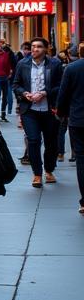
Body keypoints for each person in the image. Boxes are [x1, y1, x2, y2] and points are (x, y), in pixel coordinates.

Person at [12, 36, 63, 188]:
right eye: (33, 46)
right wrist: (25, 94)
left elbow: (60, 86)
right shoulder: (22, 64)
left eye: (39, 47)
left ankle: (49, 170)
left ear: (46, 49)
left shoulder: (55, 64)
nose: (35, 49)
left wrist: (45, 93)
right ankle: (37, 174)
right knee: (33, 141)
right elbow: (15, 84)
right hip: (30, 110)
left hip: (49, 110)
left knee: (51, 142)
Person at [55, 42, 84, 214]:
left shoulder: (72, 69)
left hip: (79, 119)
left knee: (82, 158)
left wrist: (62, 113)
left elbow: (63, 94)